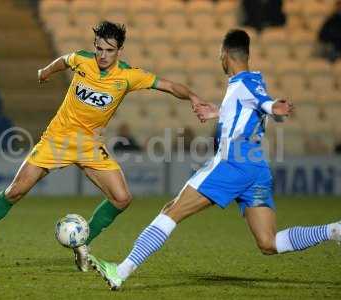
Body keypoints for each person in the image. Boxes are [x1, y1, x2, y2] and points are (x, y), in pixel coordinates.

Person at [0, 21, 211, 272]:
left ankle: (83, 241)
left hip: (90, 145)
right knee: (15, 191)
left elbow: (169, 86)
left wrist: (194, 97)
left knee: (122, 199)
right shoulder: (83, 59)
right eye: (99, 48)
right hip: (56, 139)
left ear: (119, 50)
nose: (103, 55)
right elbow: (63, 61)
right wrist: (45, 72)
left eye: (109, 50)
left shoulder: (128, 76)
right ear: (94, 45)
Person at [88, 29, 341, 290]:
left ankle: (121, 270)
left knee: (171, 210)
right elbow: (250, 108)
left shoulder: (245, 82)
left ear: (225, 54)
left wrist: (275, 106)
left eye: (220, 55)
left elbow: (264, 102)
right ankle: (333, 230)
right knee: (268, 242)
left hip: (232, 163)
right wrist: (219, 113)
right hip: (256, 168)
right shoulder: (248, 82)